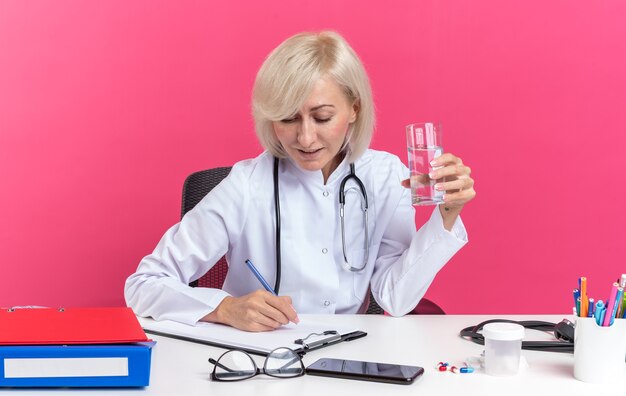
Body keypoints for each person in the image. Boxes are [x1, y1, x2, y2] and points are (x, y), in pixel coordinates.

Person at [125, 31, 476, 332]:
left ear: (354, 108)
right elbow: (142, 285)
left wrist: (445, 216)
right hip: (258, 359)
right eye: (288, 119)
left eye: (322, 117)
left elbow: (395, 298)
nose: (306, 139)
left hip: (346, 357)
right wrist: (223, 308)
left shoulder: (386, 176)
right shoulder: (246, 184)